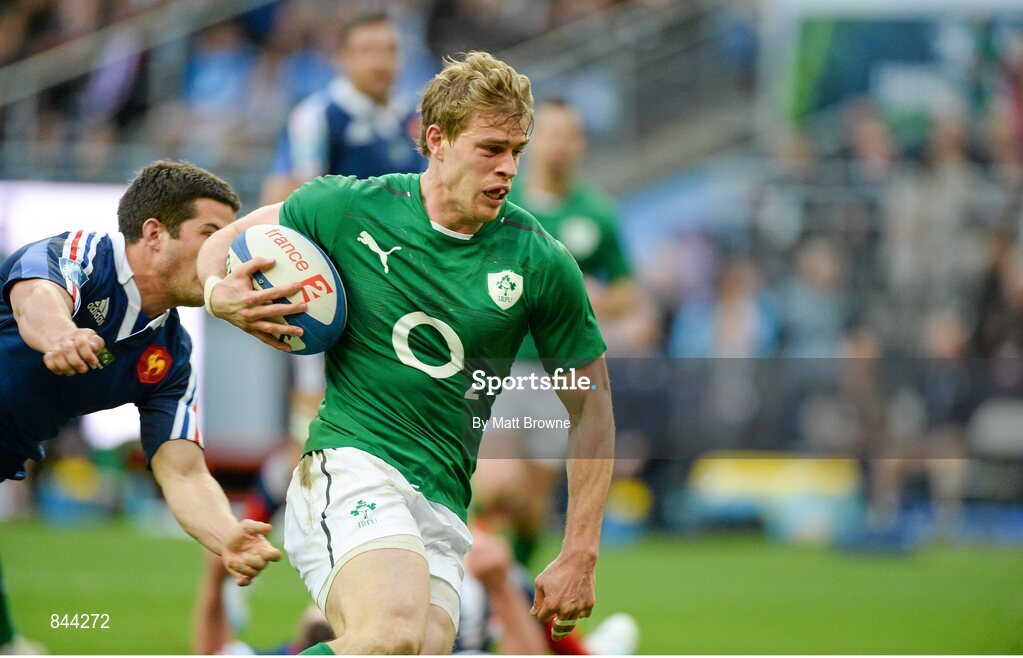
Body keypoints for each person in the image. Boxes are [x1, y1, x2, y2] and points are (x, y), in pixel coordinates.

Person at [198, 51, 615, 655]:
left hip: (444, 502)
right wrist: (219, 296)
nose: (507, 169)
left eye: (516, 152)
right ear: (436, 140)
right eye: (490, 149)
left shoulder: (541, 261)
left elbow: (591, 408)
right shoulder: (348, 207)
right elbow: (229, 240)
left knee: (411, 650)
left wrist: (580, 551)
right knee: (389, 640)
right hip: (351, 464)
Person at [0, 161, 283, 603]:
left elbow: (183, 471)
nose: (226, 256)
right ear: (153, 234)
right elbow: (35, 297)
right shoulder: (85, 253)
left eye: (231, 241)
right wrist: (60, 334)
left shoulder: (174, 354)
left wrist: (226, 534)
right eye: (211, 235)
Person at [480, 99, 637, 564]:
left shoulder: (598, 214)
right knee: (495, 487)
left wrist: (599, 298)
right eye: (549, 133)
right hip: (500, 368)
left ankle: (513, 582)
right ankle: (475, 589)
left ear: (580, 144)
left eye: (568, 135)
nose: (558, 145)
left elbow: (629, 289)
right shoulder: (503, 202)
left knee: (530, 506)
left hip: (559, 378)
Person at [261, 10, 425, 206]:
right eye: (367, 51)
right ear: (343, 57)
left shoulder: (414, 117)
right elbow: (288, 196)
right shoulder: (316, 116)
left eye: (390, 50)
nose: (380, 62)